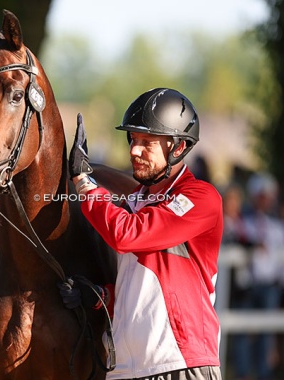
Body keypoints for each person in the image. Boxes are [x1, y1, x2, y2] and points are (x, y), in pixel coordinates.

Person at [60, 88, 224, 379]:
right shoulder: (130, 203)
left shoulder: (202, 198)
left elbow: (129, 235)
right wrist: (100, 296)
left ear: (177, 147)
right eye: (133, 139)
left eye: (147, 142)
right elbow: (139, 286)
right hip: (124, 368)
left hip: (180, 364)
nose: (134, 150)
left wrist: (84, 184)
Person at [232, 172, 284, 380]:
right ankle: (243, 373)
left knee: (266, 334)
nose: (264, 200)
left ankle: (264, 373)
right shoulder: (243, 222)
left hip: (270, 286)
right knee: (241, 332)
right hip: (248, 284)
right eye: (260, 195)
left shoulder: (278, 226)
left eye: (267, 195)